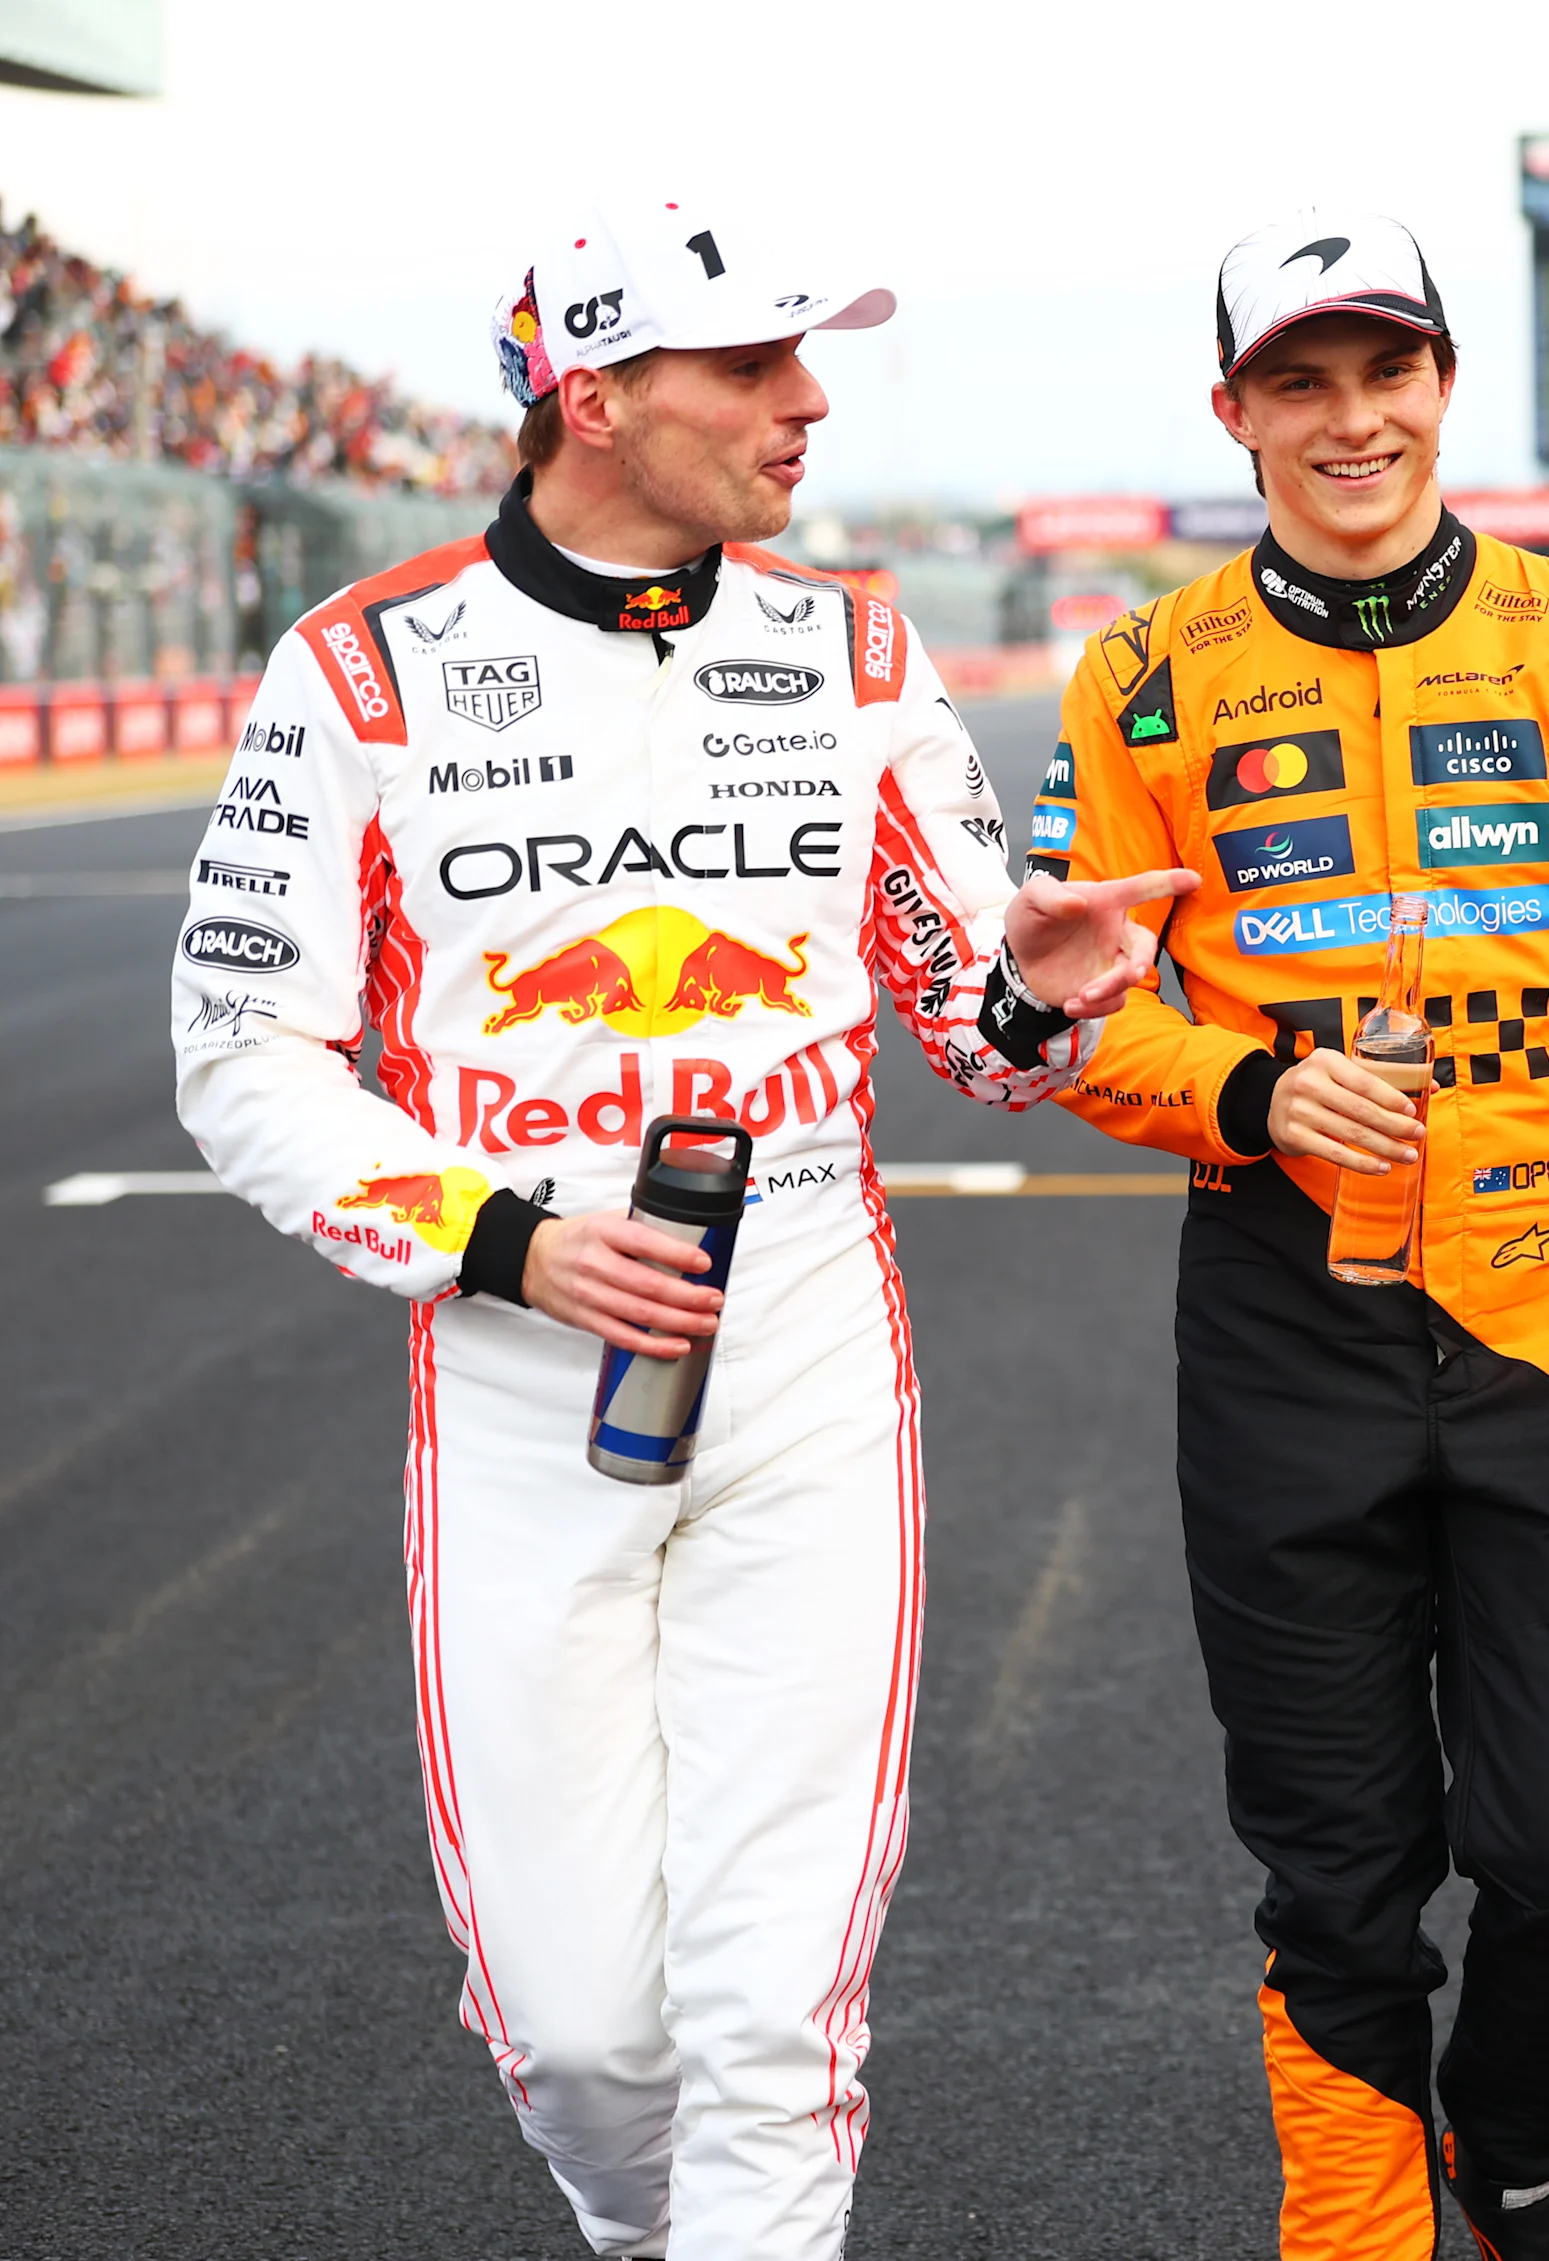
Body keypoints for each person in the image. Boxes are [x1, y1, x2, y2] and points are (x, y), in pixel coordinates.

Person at [170, 197, 1189, 2261]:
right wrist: (494, 1232)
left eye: (808, 359)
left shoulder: (853, 648)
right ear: (597, 392)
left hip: (807, 1337)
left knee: (766, 2020)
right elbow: (239, 1048)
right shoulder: (363, 668)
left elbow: (969, 1025)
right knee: (577, 2037)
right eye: (752, 366)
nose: (806, 401)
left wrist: (1041, 983)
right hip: (519, 1359)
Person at [1025, 207, 1549, 2261]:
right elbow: (1075, 1018)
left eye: (1386, 369)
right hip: (1281, 1330)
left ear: (1444, 383)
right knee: (1336, 1877)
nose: (1351, 418)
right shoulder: (1143, 675)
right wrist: (1249, 1090)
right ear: (1234, 411)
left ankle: (1512, 2145)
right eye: (1301, 380)